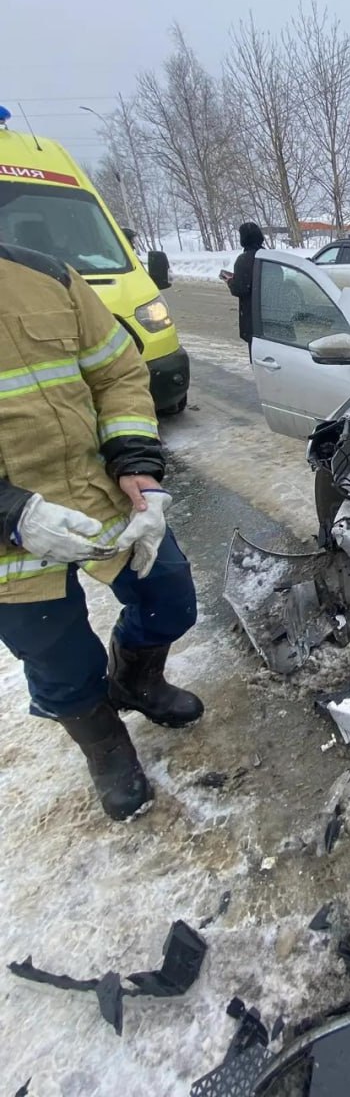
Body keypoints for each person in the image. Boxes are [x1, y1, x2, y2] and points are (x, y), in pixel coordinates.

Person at [0, 240, 203, 822]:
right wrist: (13, 513)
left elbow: (116, 372)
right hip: (6, 533)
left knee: (169, 594)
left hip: (95, 489)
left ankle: (136, 681)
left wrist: (135, 463)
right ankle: (106, 747)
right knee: (57, 659)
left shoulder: (43, 273)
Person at [227, 221, 265, 358]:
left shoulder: (244, 260)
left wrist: (230, 281)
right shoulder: (269, 258)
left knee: (257, 360)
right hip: (271, 318)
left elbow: (239, 289)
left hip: (253, 319)